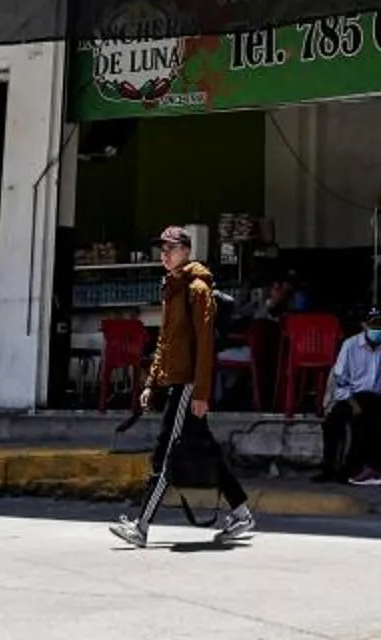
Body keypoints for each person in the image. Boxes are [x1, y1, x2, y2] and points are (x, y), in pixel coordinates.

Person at [111, 225, 255, 548]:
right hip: (175, 380)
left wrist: (201, 392)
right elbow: (165, 341)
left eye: (171, 249)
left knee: (166, 450)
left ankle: (142, 525)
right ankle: (242, 511)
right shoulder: (171, 287)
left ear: (186, 252)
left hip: (189, 383)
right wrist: (152, 381)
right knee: (205, 448)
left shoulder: (198, 289)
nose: (165, 255)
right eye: (162, 249)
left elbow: (205, 346)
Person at [321, 308, 381, 485]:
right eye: (372, 324)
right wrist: (353, 404)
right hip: (352, 396)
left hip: (379, 398)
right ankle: (329, 468)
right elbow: (340, 380)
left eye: (380, 324)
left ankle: (375, 469)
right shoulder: (350, 346)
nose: (377, 328)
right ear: (363, 325)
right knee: (332, 423)